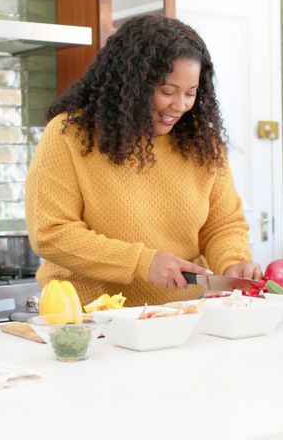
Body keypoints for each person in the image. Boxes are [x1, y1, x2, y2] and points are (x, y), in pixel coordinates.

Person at [25, 15, 260, 307]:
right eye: (167, 91)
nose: (180, 106)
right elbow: (51, 233)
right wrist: (140, 262)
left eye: (190, 93)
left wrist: (232, 262)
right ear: (131, 82)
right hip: (90, 319)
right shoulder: (69, 135)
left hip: (180, 314)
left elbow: (222, 225)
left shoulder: (203, 145)